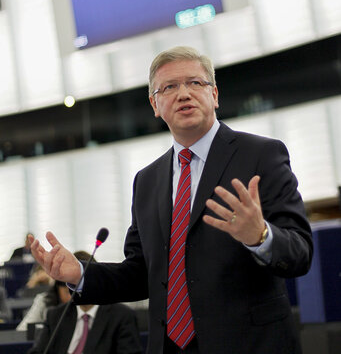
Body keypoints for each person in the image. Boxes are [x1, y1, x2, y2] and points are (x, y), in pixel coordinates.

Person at [29, 46, 313, 354]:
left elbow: (300, 253)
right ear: (155, 104)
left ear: (214, 95)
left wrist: (260, 236)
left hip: (250, 344)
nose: (183, 94)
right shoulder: (147, 180)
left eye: (195, 83)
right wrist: (81, 274)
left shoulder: (261, 155)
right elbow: (140, 274)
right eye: (169, 87)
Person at [27, 251, 142, 354]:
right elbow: (38, 351)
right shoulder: (56, 316)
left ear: (96, 279)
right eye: (68, 282)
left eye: (79, 280)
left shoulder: (122, 316)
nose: (73, 287)